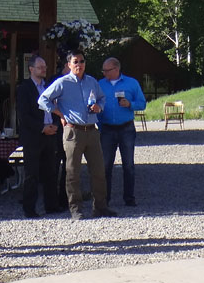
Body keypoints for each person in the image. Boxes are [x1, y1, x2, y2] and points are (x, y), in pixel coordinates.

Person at [38, 50, 115, 220]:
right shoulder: (62, 83)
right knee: (73, 172)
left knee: (99, 171)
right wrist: (59, 113)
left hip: (92, 130)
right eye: (75, 62)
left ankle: (100, 207)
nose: (79, 64)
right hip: (73, 131)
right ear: (69, 65)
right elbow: (43, 100)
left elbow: (102, 98)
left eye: (81, 61)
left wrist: (99, 107)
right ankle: (75, 208)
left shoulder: (92, 81)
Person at [97, 57, 146, 208]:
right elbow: (94, 104)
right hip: (107, 129)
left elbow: (142, 103)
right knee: (105, 165)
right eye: (103, 70)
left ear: (116, 69)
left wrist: (130, 104)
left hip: (126, 128)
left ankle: (129, 198)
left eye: (107, 70)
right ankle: (105, 199)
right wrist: (99, 124)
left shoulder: (132, 83)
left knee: (128, 165)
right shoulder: (99, 84)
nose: (105, 73)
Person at [17, 54, 62, 218]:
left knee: (51, 171)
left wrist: (55, 125)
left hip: (50, 134)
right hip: (34, 136)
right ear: (31, 69)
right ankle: (29, 208)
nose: (44, 69)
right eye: (40, 67)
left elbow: (56, 107)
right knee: (32, 173)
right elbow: (24, 115)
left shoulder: (49, 86)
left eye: (44, 67)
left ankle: (52, 205)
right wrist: (42, 128)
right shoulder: (24, 88)